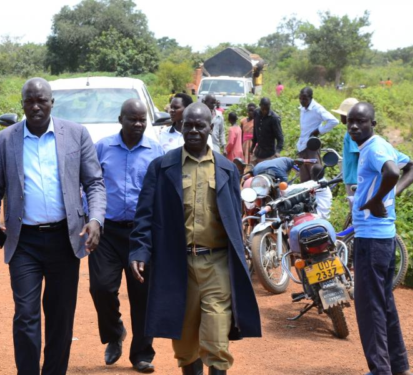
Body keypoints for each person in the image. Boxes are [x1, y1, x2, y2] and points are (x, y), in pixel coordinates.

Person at [0, 77, 106, 375]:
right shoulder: (5, 140)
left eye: (42, 101)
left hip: (66, 238)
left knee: (61, 316)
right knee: (25, 316)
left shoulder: (76, 134)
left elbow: (95, 183)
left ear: (52, 102)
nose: (36, 106)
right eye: (29, 101)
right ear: (22, 104)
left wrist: (96, 218)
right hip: (24, 242)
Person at [130, 103, 262, 375]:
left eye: (199, 125)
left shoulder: (226, 169)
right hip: (177, 266)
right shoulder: (162, 167)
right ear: (180, 126)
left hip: (216, 265)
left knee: (216, 339)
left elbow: (234, 220)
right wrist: (140, 251)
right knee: (185, 340)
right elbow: (145, 215)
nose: (192, 130)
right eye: (187, 125)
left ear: (210, 128)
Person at [90, 99, 164, 373]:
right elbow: (90, 184)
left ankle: (142, 353)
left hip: (141, 233)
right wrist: (90, 218)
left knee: (142, 294)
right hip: (106, 232)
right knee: (101, 288)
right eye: (132, 119)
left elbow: (161, 194)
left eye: (142, 119)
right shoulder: (103, 147)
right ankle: (114, 332)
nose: (138, 124)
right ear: (120, 119)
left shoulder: (156, 152)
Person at [347, 102, 413, 375]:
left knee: (370, 308)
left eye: (361, 121)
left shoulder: (376, 148)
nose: (354, 126)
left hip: (373, 240)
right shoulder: (376, 146)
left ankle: (380, 370)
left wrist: (378, 200)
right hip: (382, 239)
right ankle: (399, 366)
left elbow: (392, 171)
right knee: (384, 303)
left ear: (372, 124)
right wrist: (392, 196)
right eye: (351, 122)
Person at [297, 87, 340, 182]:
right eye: (300, 98)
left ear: (311, 98)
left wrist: (319, 130)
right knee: (304, 179)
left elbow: (334, 121)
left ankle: (319, 196)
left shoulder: (317, 108)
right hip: (302, 146)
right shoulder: (303, 108)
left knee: (316, 177)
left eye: (305, 99)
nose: (302, 101)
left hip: (311, 147)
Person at [331, 98, 360, 196]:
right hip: (353, 177)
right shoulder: (353, 131)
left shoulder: (351, 133)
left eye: (342, 115)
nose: (340, 117)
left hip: (354, 178)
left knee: (355, 209)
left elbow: (359, 153)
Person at [251, 97, 284, 165]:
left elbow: (280, 138)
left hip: (269, 154)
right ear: (260, 106)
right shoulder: (256, 113)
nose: (265, 111)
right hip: (258, 152)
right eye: (263, 109)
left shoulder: (274, 118)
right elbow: (255, 131)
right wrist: (252, 146)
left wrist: (277, 152)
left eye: (267, 109)